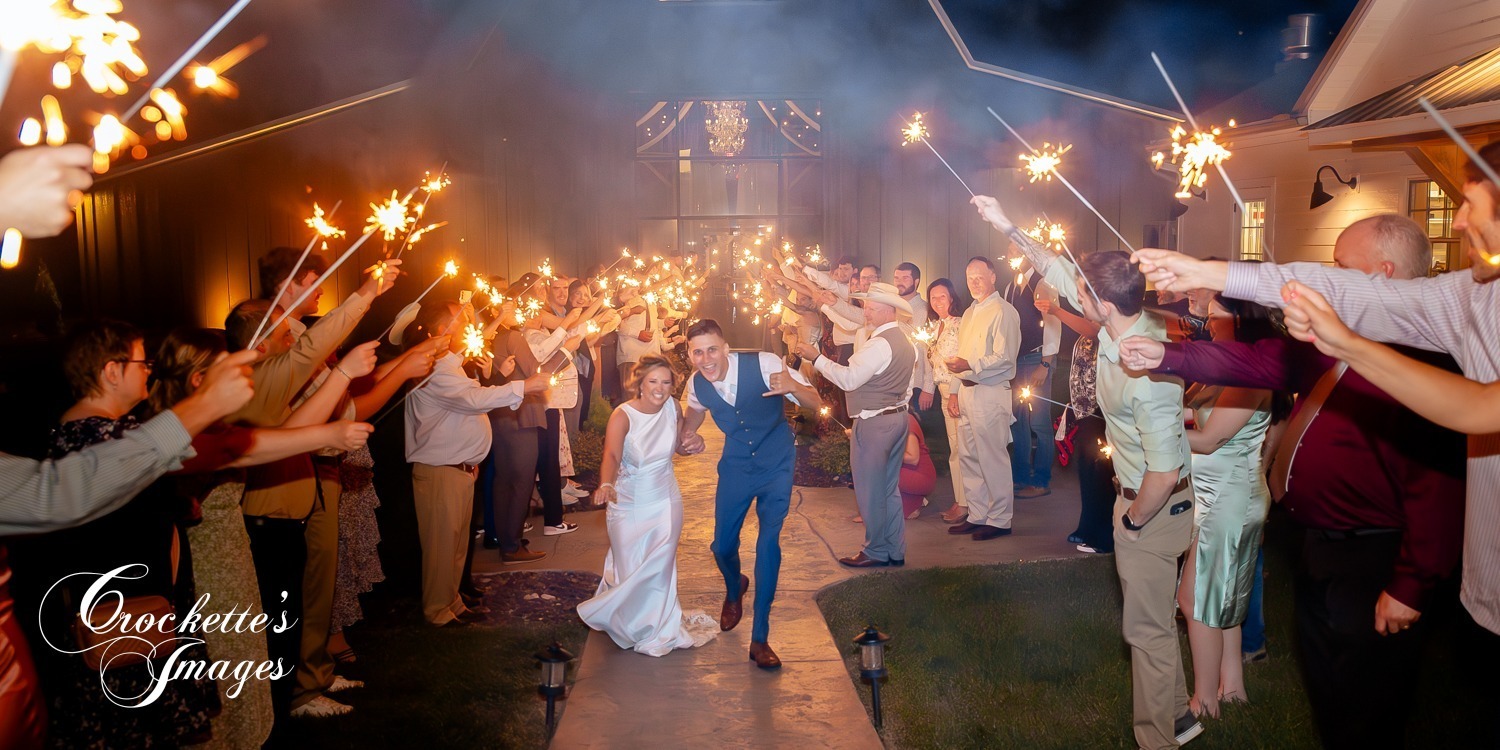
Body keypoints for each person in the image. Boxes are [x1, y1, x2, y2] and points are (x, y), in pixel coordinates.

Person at [1127, 213, 1467, 747]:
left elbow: (1437, 484)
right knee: (1329, 690)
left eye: (1340, 268)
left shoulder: (1420, 361)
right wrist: (1167, 354)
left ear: (1382, 274)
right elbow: (1258, 362)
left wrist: (1410, 584)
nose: (1328, 278)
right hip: (1316, 546)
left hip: (1373, 556)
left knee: (1370, 701)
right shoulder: (1333, 346)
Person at [974, 194, 1203, 749]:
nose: (1072, 293)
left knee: (1144, 630)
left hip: (1155, 505)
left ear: (1101, 303)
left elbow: (1165, 468)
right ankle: (1178, 716)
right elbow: (1057, 264)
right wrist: (1005, 220)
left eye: (1082, 293)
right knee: (1153, 621)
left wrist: (1131, 520)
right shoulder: (1124, 318)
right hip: (1150, 499)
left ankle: (1156, 740)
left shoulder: (1142, 370)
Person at [679, 319, 821, 669]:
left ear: (725, 348)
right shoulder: (696, 383)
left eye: (712, 349)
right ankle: (734, 585)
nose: (706, 358)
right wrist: (686, 439)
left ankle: (760, 639)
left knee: (767, 544)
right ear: (690, 355)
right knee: (722, 546)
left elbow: (814, 403)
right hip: (737, 467)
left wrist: (792, 385)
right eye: (698, 352)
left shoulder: (765, 364)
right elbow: (694, 412)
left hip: (776, 465)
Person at [406, 301, 550, 627]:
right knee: (442, 547)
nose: (468, 326)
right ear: (439, 332)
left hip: (458, 470)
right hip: (441, 470)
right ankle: (437, 612)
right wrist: (524, 386)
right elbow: (473, 399)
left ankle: (452, 602)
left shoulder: (450, 364)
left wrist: (488, 374)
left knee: (456, 545)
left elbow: (474, 391)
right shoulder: (434, 370)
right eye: (460, 321)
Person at [1173, 297, 1280, 718]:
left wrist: (1152, 434)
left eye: (1215, 311)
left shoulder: (1251, 375)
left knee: (1195, 599)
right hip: (1217, 494)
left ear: (1238, 319)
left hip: (1230, 497)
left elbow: (1210, 438)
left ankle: (1204, 701)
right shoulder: (1232, 366)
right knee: (1225, 598)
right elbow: (1190, 412)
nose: (1205, 316)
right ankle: (1232, 688)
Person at [577, 356, 719, 655]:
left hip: (665, 501)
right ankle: (628, 621)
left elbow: (679, 445)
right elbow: (612, 456)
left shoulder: (672, 407)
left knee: (660, 567)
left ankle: (659, 626)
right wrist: (606, 484)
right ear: (639, 382)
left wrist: (694, 444)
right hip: (627, 502)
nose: (660, 388)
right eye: (653, 381)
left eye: (666, 382)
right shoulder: (623, 415)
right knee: (629, 566)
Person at [797, 282, 917, 566]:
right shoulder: (907, 342)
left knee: (870, 490)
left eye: (873, 308)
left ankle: (875, 551)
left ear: (890, 311)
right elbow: (908, 387)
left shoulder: (879, 344)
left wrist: (816, 358)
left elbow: (848, 379)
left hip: (875, 423)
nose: (867, 313)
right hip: (898, 418)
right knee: (888, 489)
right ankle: (894, 549)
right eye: (867, 306)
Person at [944, 257, 1022, 541]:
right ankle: (977, 514)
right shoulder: (970, 312)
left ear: (993, 276)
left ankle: (1000, 519)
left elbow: (1004, 357)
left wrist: (968, 364)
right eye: (969, 277)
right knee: (969, 456)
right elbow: (960, 354)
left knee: (992, 457)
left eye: (979, 276)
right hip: (967, 391)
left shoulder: (1004, 311)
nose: (974, 282)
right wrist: (955, 390)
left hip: (990, 390)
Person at [1039, 295, 1114, 554]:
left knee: (1101, 472)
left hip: (1102, 412)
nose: (1081, 304)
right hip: (1084, 410)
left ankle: (1105, 536)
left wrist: (1056, 310)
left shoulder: (1108, 327)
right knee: (1085, 469)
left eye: (1084, 299)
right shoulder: (1088, 326)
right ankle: (1087, 525)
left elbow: (1092, 329)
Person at [1006, 253, 1062, 499]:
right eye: (1009, 252)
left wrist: (1046, 363)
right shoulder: (1010, 286)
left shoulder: (1042, 282)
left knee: (1039, 422)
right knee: (1018, 422)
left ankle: (1041, 480)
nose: (1013, 256)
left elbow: (1052, 323)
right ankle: (1020, 477)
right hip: (1016, 362)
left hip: (1037, 358)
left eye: (1018, 250)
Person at [925, 278, 971, 523]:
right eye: (933, 297)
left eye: (942, 296)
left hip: (956, 389)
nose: (938, 301)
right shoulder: (936, 326)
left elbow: (962, 360)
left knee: (960, 447)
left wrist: (953, 391)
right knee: (954, 447)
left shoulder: (960, 324)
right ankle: (960, 500)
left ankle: (964, 503)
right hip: (941, 389)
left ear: (952, 298)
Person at [899, 411, 936, 519]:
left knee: (875, 470)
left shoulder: (907, 420)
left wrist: (882, 454)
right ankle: (914, 500)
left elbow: (912, 458)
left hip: (920, 474)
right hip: (906, 472)